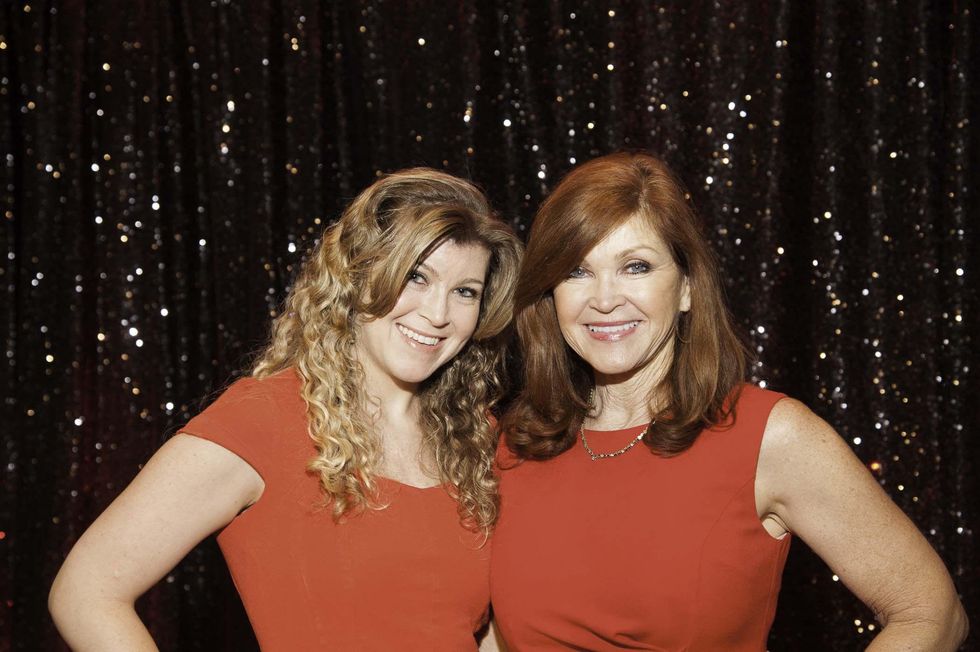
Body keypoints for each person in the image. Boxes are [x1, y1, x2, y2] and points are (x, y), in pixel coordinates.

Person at [490, 152, 968, 650]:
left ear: (687, 289)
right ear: (550, 296)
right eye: (576, 271)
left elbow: (931, 614)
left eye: (636, 266)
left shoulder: (768, 436)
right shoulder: (513, 446)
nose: (605, 299)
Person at [49, 168, 522, 651]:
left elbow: (478, 631)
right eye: (415, 277)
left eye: (465, 291)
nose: (438, 313)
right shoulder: (263, 420)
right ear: (357, 277)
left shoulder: (477, 437)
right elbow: (86, 592)